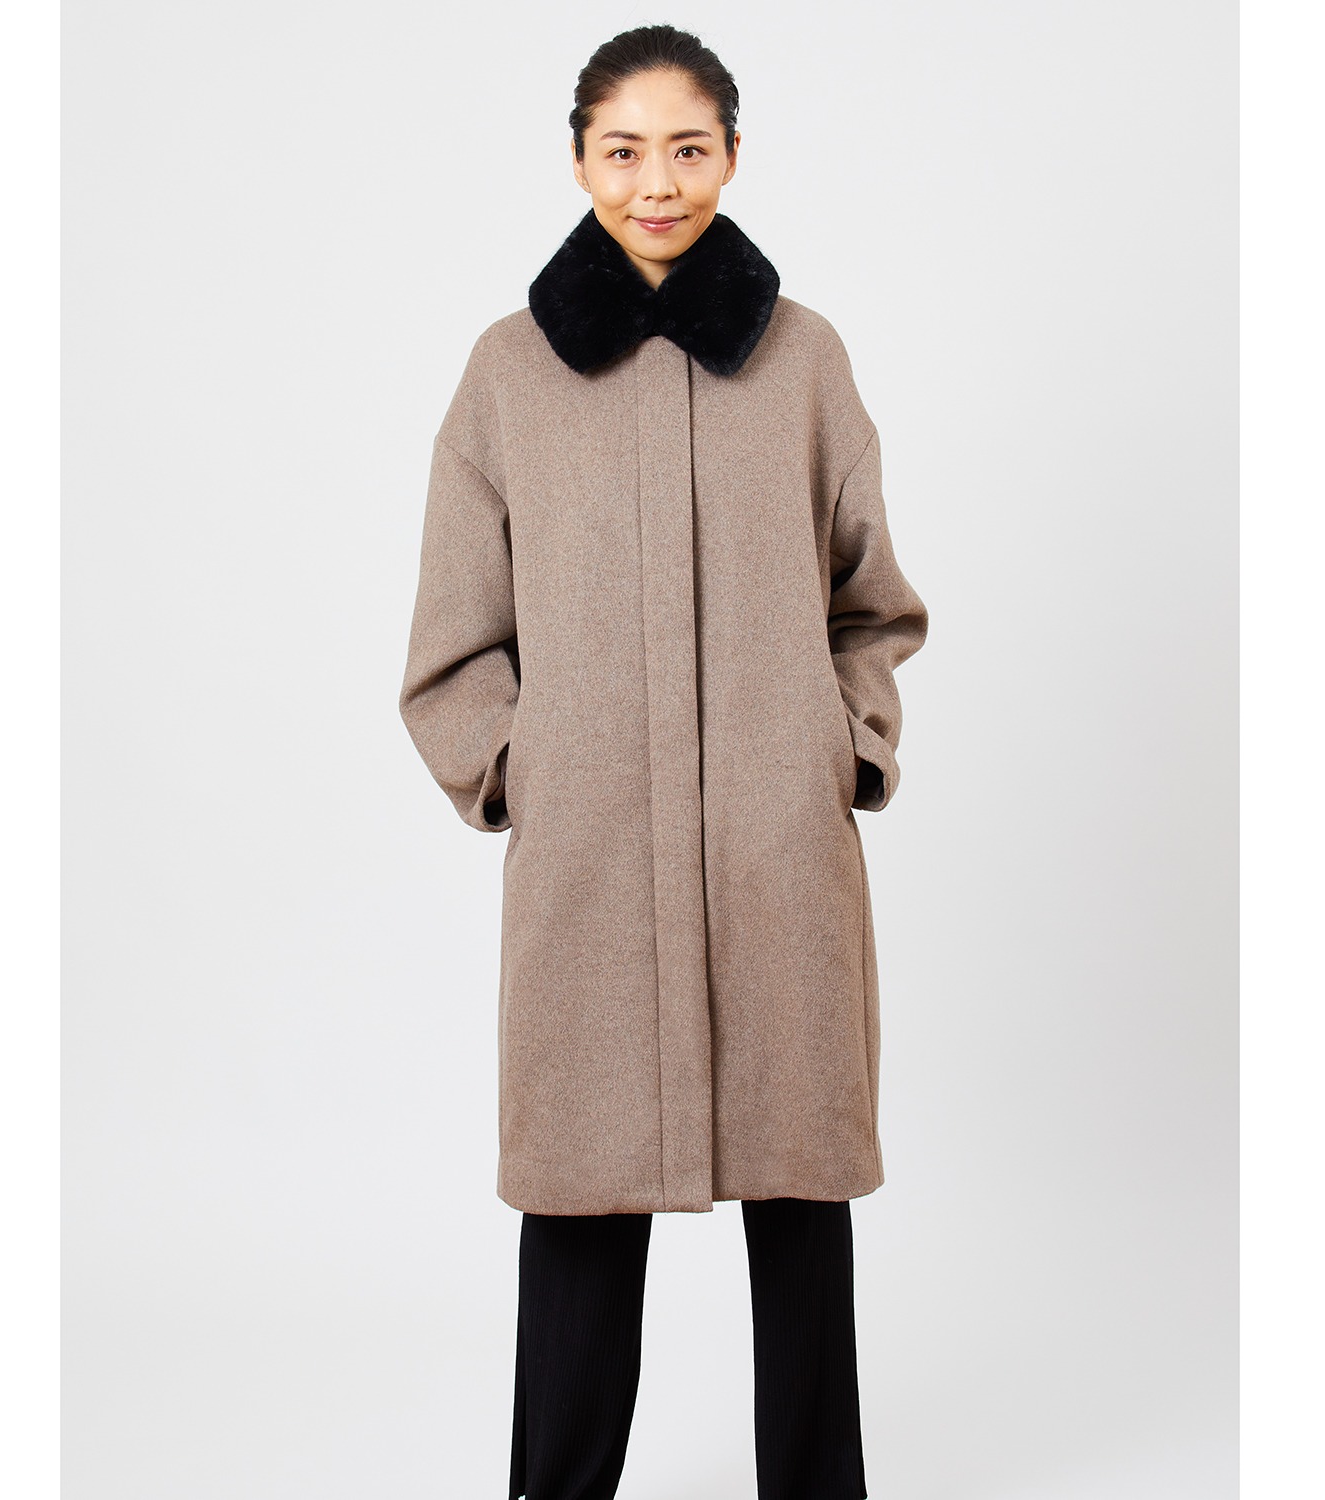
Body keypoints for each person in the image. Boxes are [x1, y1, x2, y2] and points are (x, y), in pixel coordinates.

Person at [399, 24, 930, 1500]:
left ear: (733, 159)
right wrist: (528, 772)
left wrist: (839, 750)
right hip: (591, 865)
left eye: (688, 149)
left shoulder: (804, 358)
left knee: (803, 1197)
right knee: (579, 1196)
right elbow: (452, 641)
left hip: (778, 855)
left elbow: (873, 602)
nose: (657, 183)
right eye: (624, 151)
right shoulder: (507, 374)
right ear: (579, 162)